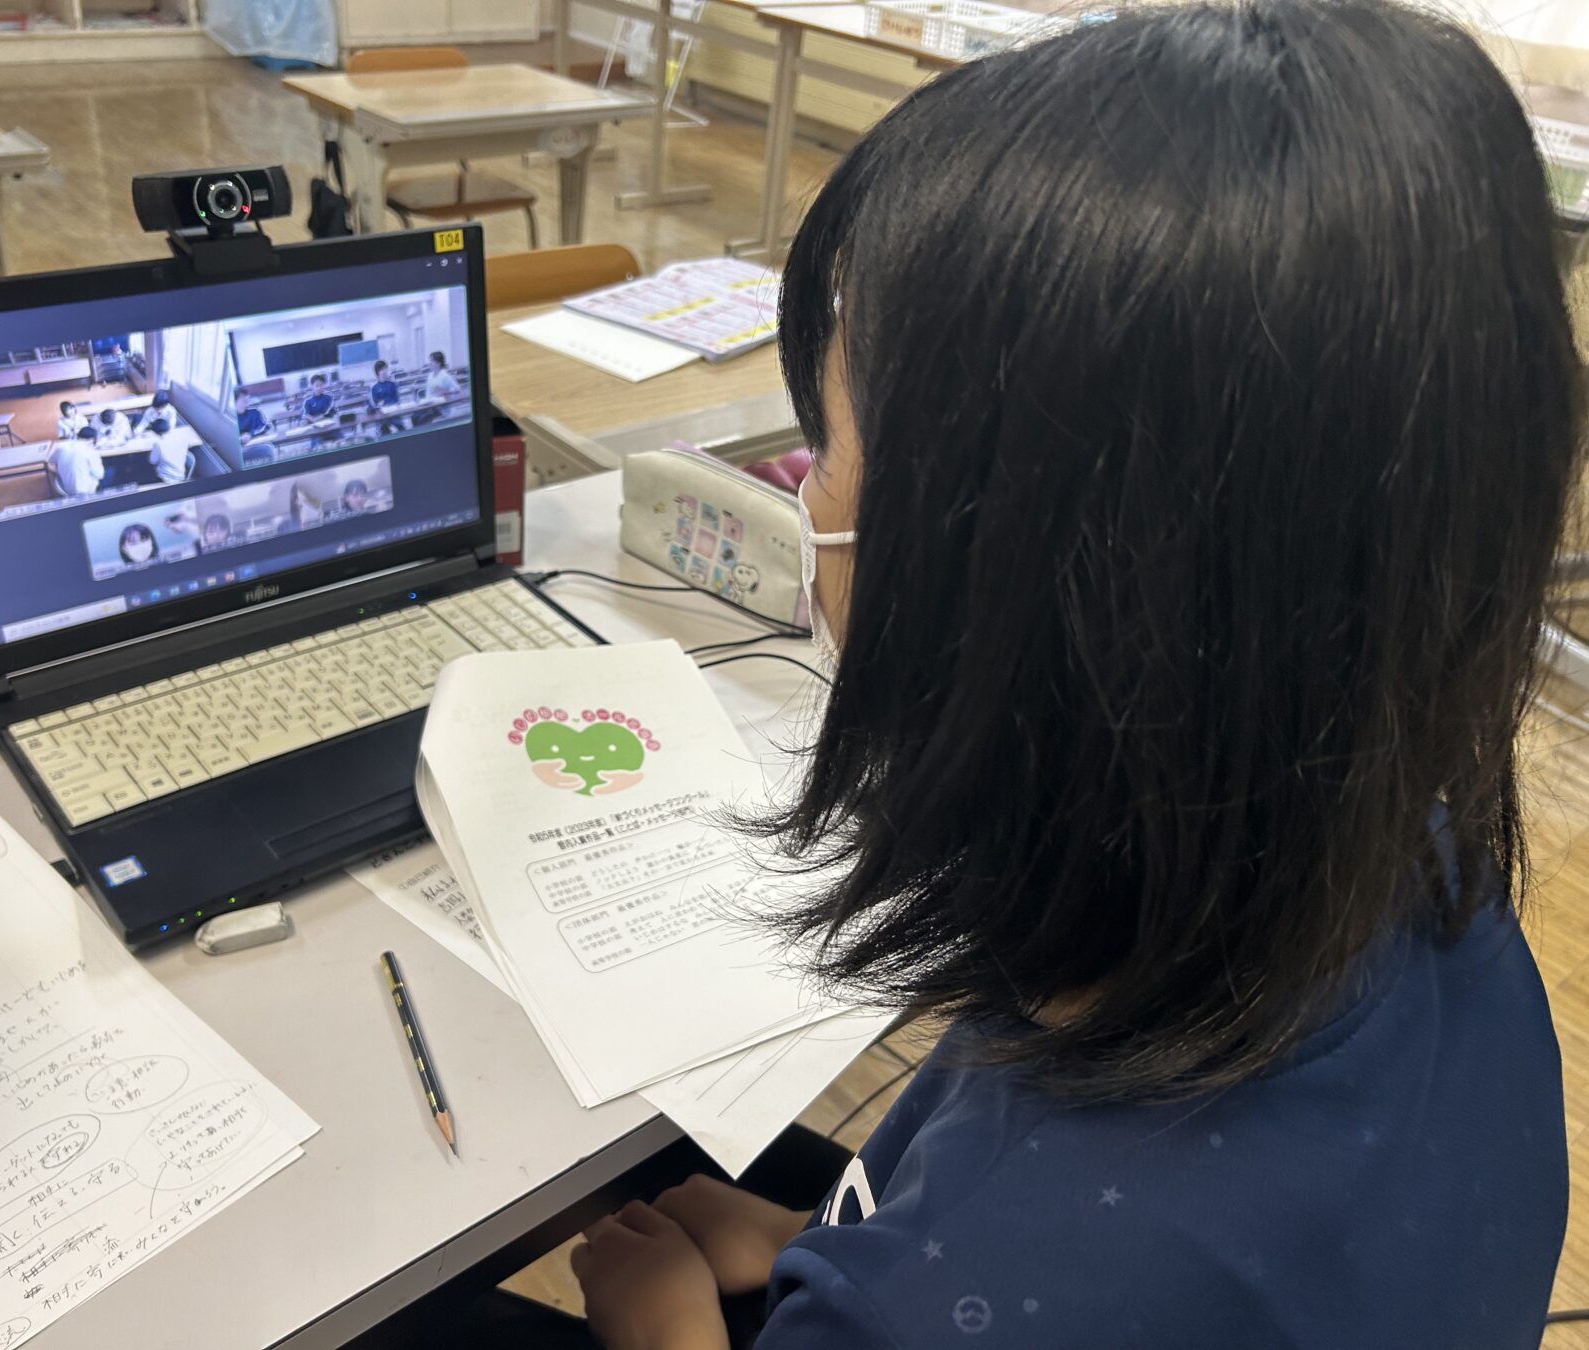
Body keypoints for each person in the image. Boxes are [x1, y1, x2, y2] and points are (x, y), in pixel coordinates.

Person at [452, 4, 1584, 1348]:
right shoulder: (1406, 875)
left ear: (1032, 607)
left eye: (828, 463)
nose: (806, 513)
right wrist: (828, 1239)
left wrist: (670, 1325)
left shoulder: (946, 1309)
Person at [52, 426, 105, 498]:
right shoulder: (91, 452)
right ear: (92, 440)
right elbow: (100, 475)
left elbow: (52, 461)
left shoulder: (61, 446)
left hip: (63, 489)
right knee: (110, 471)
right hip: (84, 493)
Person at [147, 417, 199, 485]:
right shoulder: (182, 438)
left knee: (146, 467)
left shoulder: (158, 444)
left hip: (166, 479)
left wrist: (149, 453)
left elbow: (152, 461)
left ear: (156, 432)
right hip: (181, 475)